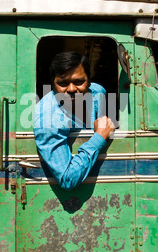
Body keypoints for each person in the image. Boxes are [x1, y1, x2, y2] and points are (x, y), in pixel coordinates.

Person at [33, 51, 115, 190]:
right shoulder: (48, 121)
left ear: (89, 81)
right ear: (53, 84)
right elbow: (67, 179)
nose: (71, 89)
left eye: (79, 82)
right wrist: (99, 137)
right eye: (63, 83)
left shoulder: (98, 92)